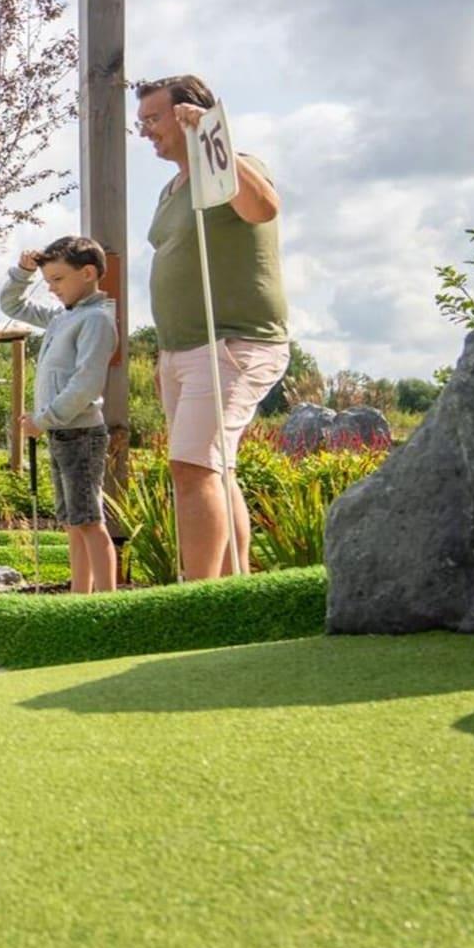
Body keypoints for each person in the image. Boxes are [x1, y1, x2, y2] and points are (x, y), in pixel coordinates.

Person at [135, 73, 290, 580]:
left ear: (187, 113)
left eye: (154, 118)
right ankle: (231, 589)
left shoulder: (232, 165)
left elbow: (263, 208)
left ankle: (196, 598)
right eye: (141, 122)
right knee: (215, 469)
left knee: (193, 467)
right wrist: (166, 356)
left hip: (231, 343)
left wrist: (208, 134)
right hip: (181, 351)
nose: (146, 131)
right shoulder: (170, 189)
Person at [0, 237, 120, 593]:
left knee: (89, 520)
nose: (51, 288)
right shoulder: (62, 317)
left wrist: (44, 419)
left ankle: (109, 603)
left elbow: (86, 385)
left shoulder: (96, 320)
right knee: (72, 521)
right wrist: (23, 274)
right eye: (47, 280)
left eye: (57, 279)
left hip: (81, 433)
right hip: (62, 433)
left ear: (88, 273)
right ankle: (79, 597)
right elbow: (12, 305)